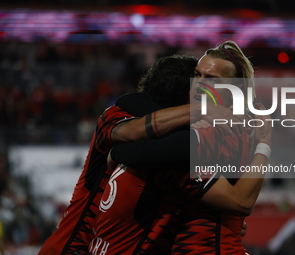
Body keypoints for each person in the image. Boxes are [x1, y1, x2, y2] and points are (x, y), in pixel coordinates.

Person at [38, 54, 238, 254]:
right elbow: (140, 127)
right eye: (197, 80)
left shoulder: (145, 125)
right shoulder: (118, 115)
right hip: (72, 246)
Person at [90, 41, 272, 254]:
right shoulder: (240, 127)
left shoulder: (212, 132)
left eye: (211, 79)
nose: (199, 84)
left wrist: (116, 153)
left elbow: (241, 202)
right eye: (197, 75)